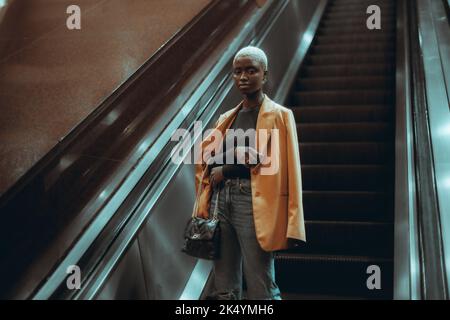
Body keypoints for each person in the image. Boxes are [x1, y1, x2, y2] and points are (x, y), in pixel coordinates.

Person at [193, 46, 306, 300]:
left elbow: (280, 164)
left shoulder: (280, 115)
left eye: (251, 70)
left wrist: (230, 166)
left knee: (260, 283)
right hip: (220, 201)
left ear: (264, 75)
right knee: (224, 285)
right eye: (237, 71)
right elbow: (208, 159)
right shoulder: (226, 118)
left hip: (254, 202)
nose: (243, 77)